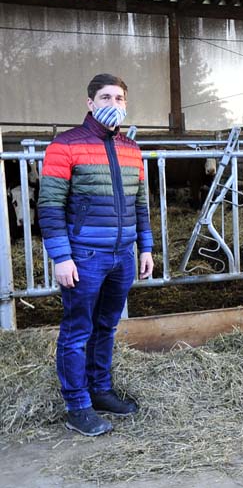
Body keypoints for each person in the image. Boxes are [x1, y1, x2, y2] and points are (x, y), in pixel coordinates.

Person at [38, 73, 154, 436]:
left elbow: (141, 203)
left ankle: (100, 390)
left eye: (119, 99)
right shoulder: (65, 145)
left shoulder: (131, 149)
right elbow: (50, 205)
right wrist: (62, 256)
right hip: (84, 255)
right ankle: (77, 404)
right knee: (77, 331)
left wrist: (146, 246)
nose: (113, 105)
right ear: (90, 104)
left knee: (106, 326)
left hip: (122, 254)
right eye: (105, 98)